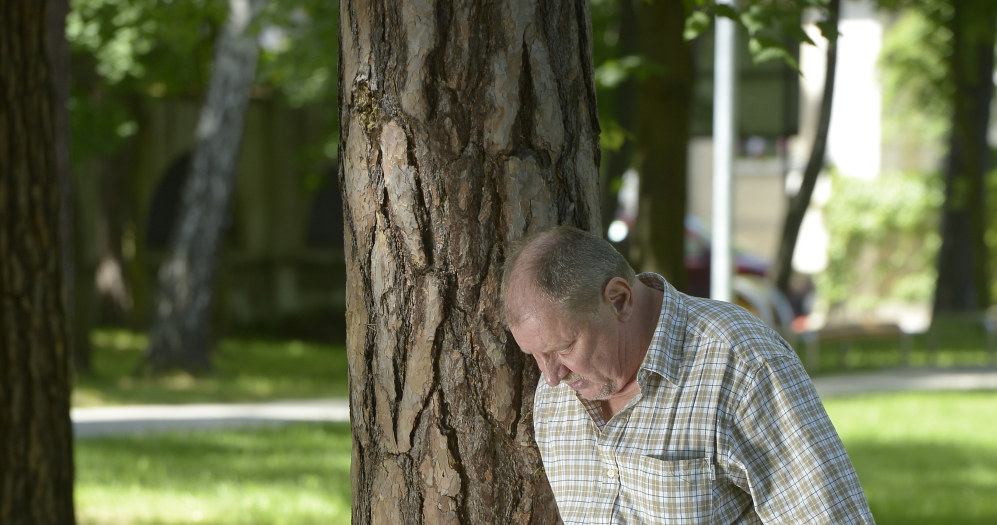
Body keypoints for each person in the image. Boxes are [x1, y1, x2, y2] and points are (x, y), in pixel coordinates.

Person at [501, 225, 875, 524]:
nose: (550, 378)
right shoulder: (555, 395)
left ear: (619, 300)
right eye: (536, 355)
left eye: (563, 348)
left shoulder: (740, 363)